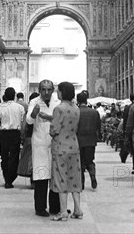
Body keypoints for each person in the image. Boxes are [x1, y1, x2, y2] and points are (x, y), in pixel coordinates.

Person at [26, 79, 60, 217]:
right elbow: (29, 120)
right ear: (39, 90)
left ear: (53, 90)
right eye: (43, 90)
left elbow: (61, 119)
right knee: (41, 176)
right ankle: (40, 208)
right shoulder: (34, 102)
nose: (46, 92)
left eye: (49, 89)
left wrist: (49, 117)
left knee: (55, 176)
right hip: (40, 142)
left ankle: (55, 207)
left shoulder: (57, 103)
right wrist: (34, 113)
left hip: (55, 142)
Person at [50, 81, 82, 221]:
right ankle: (78, 209)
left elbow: (54, 130)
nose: (57, 93)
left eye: (58, 91)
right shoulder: (76, 108)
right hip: (74, 147)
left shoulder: (59, 108)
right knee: (74, 178)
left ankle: (63, 211)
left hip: (61, 148)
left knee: (61, 178)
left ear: (62, 92)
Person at [0, 87, 25, 189]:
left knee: (4, 157)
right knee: (14, 157)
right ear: (14, 96)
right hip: (15, 134)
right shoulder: (20, 108)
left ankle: (7, 178)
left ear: (5, 95)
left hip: (4, 134)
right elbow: (23, 122)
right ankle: (10, 178)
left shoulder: (1, 107)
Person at [76, 91, 101, 190]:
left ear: (78, 100)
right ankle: (93, 176)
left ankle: (81, 183)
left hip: (78, 140)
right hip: (91, 140)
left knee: (80, 162)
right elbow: (98, 126)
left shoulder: (76, 112)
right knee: (90, 160)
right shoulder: (94, 112)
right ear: (86, 100)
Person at [17, 91, 39, 186]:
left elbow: (24, 126)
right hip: (41, 138)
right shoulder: (43, 111)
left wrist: (22, 137)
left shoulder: (29, 112)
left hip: (30, 137)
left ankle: (33, 178)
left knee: (30, 159)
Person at [120, 93, 134, 172]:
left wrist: (125, 133)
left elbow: (125, 122)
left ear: (130, 99)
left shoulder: (127, 108)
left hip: (131, 132)